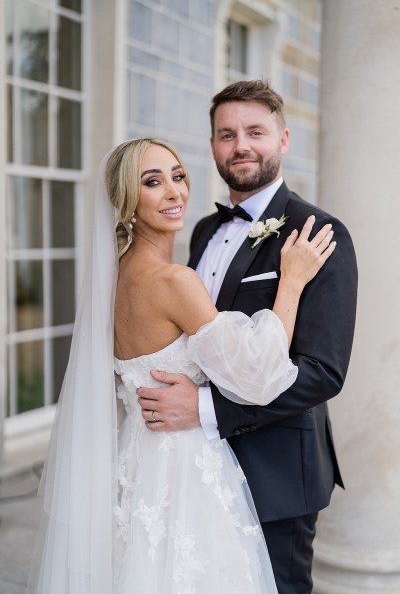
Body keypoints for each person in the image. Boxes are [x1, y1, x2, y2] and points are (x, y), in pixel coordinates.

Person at [28, 136, 335, 594]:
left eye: (178, 176)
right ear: (127, 202)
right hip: (184, 471)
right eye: (153, 182)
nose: (174, 191)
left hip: (134, 465)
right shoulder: (174, 281)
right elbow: (257, 374)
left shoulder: (112, 281)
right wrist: (290, 282)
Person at [137, 81, 358, 593]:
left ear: (282, 139)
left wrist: (205, 410)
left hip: (275, 472)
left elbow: (323, 371)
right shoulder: (201, 231)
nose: (241, 145)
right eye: (226, 134)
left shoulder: (319, 232)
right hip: (195, 465)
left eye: (255, 131)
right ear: (212, 145)